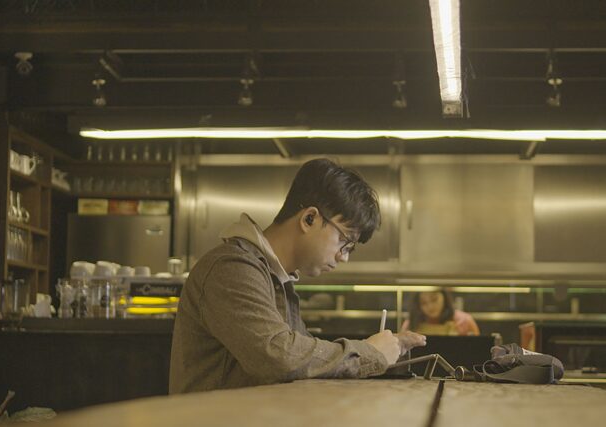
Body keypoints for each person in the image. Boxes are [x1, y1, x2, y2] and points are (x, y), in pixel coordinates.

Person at [169, 158, 426, 394]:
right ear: (310, 218)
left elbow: (304, 361)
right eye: (344, 242)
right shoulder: (231, 267)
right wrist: (369, 353)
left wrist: (380, 352)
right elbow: (279, 357)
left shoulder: (277, 277)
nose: (344, 257)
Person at [401, 289, 480, 336]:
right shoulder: (411, 324)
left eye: (434, 299)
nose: (430, 306)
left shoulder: (465, 321)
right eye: (424, 303)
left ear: (444, 296)